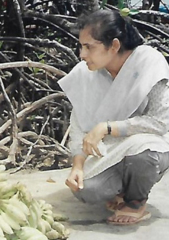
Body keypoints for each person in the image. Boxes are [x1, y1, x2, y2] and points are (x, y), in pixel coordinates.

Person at [58, 9, 169, 225]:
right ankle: (121, 191)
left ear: (115, 45)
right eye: (81, 46)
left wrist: (108, 127)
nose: (82, 54)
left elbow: (161, 122)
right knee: (85, 191)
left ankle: (136, 201)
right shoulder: (85, 73)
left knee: (142, 152)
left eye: (89, 47)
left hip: (151, 146)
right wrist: (78, 165)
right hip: (110, 151)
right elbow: (79, 125)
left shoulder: (149, 64)